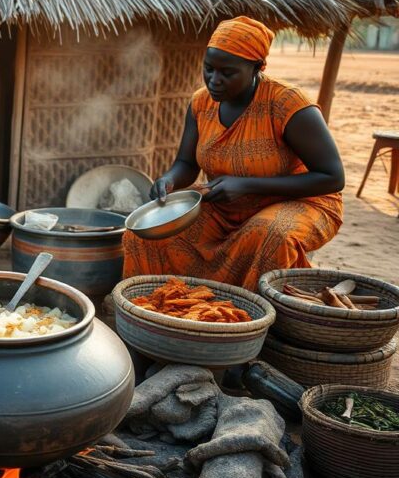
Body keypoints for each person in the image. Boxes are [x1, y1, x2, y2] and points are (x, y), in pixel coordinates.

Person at [122, 16, 345, 290]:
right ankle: (155, 303)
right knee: (147, 237)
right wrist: (169, 179)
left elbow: (332, 177)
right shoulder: (201, 103)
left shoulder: (288, 104)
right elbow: (186, 163)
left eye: (227, 73)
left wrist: (247, 185)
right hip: (227, 206)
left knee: (269, 235)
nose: (214, 80)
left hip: (301, 201)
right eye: (208, 69)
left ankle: (245, 310)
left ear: (257, 67)